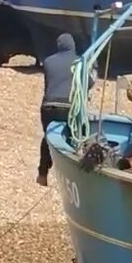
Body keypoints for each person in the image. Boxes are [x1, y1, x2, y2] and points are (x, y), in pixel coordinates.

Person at [37, 33, 79, 186]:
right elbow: (89, 83)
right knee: (74, 136)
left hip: (48, 105)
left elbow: (49, 83)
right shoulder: (80, 62)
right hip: (69, 106)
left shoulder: (48, 62)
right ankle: (70, 176)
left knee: (47, 137)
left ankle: (42, 174)